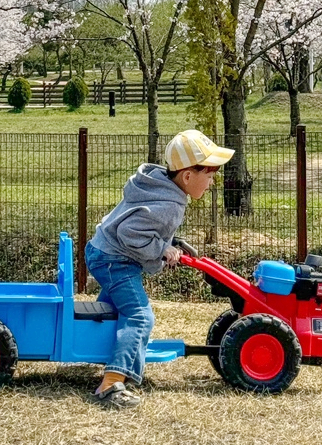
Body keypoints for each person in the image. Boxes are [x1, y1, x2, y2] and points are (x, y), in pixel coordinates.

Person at [84, 129, 235, 409]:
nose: (212, 181)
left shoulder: (158, 184)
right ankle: (110, 384)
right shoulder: (169, 203)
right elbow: (131, 233)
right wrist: (161, 249)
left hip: (103, 250)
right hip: (112, 260)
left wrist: (168, 241)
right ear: (188, 176)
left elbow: (141, 223)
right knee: (140, 317)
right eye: (210, 174)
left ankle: (95, 350)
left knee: (112, 312)